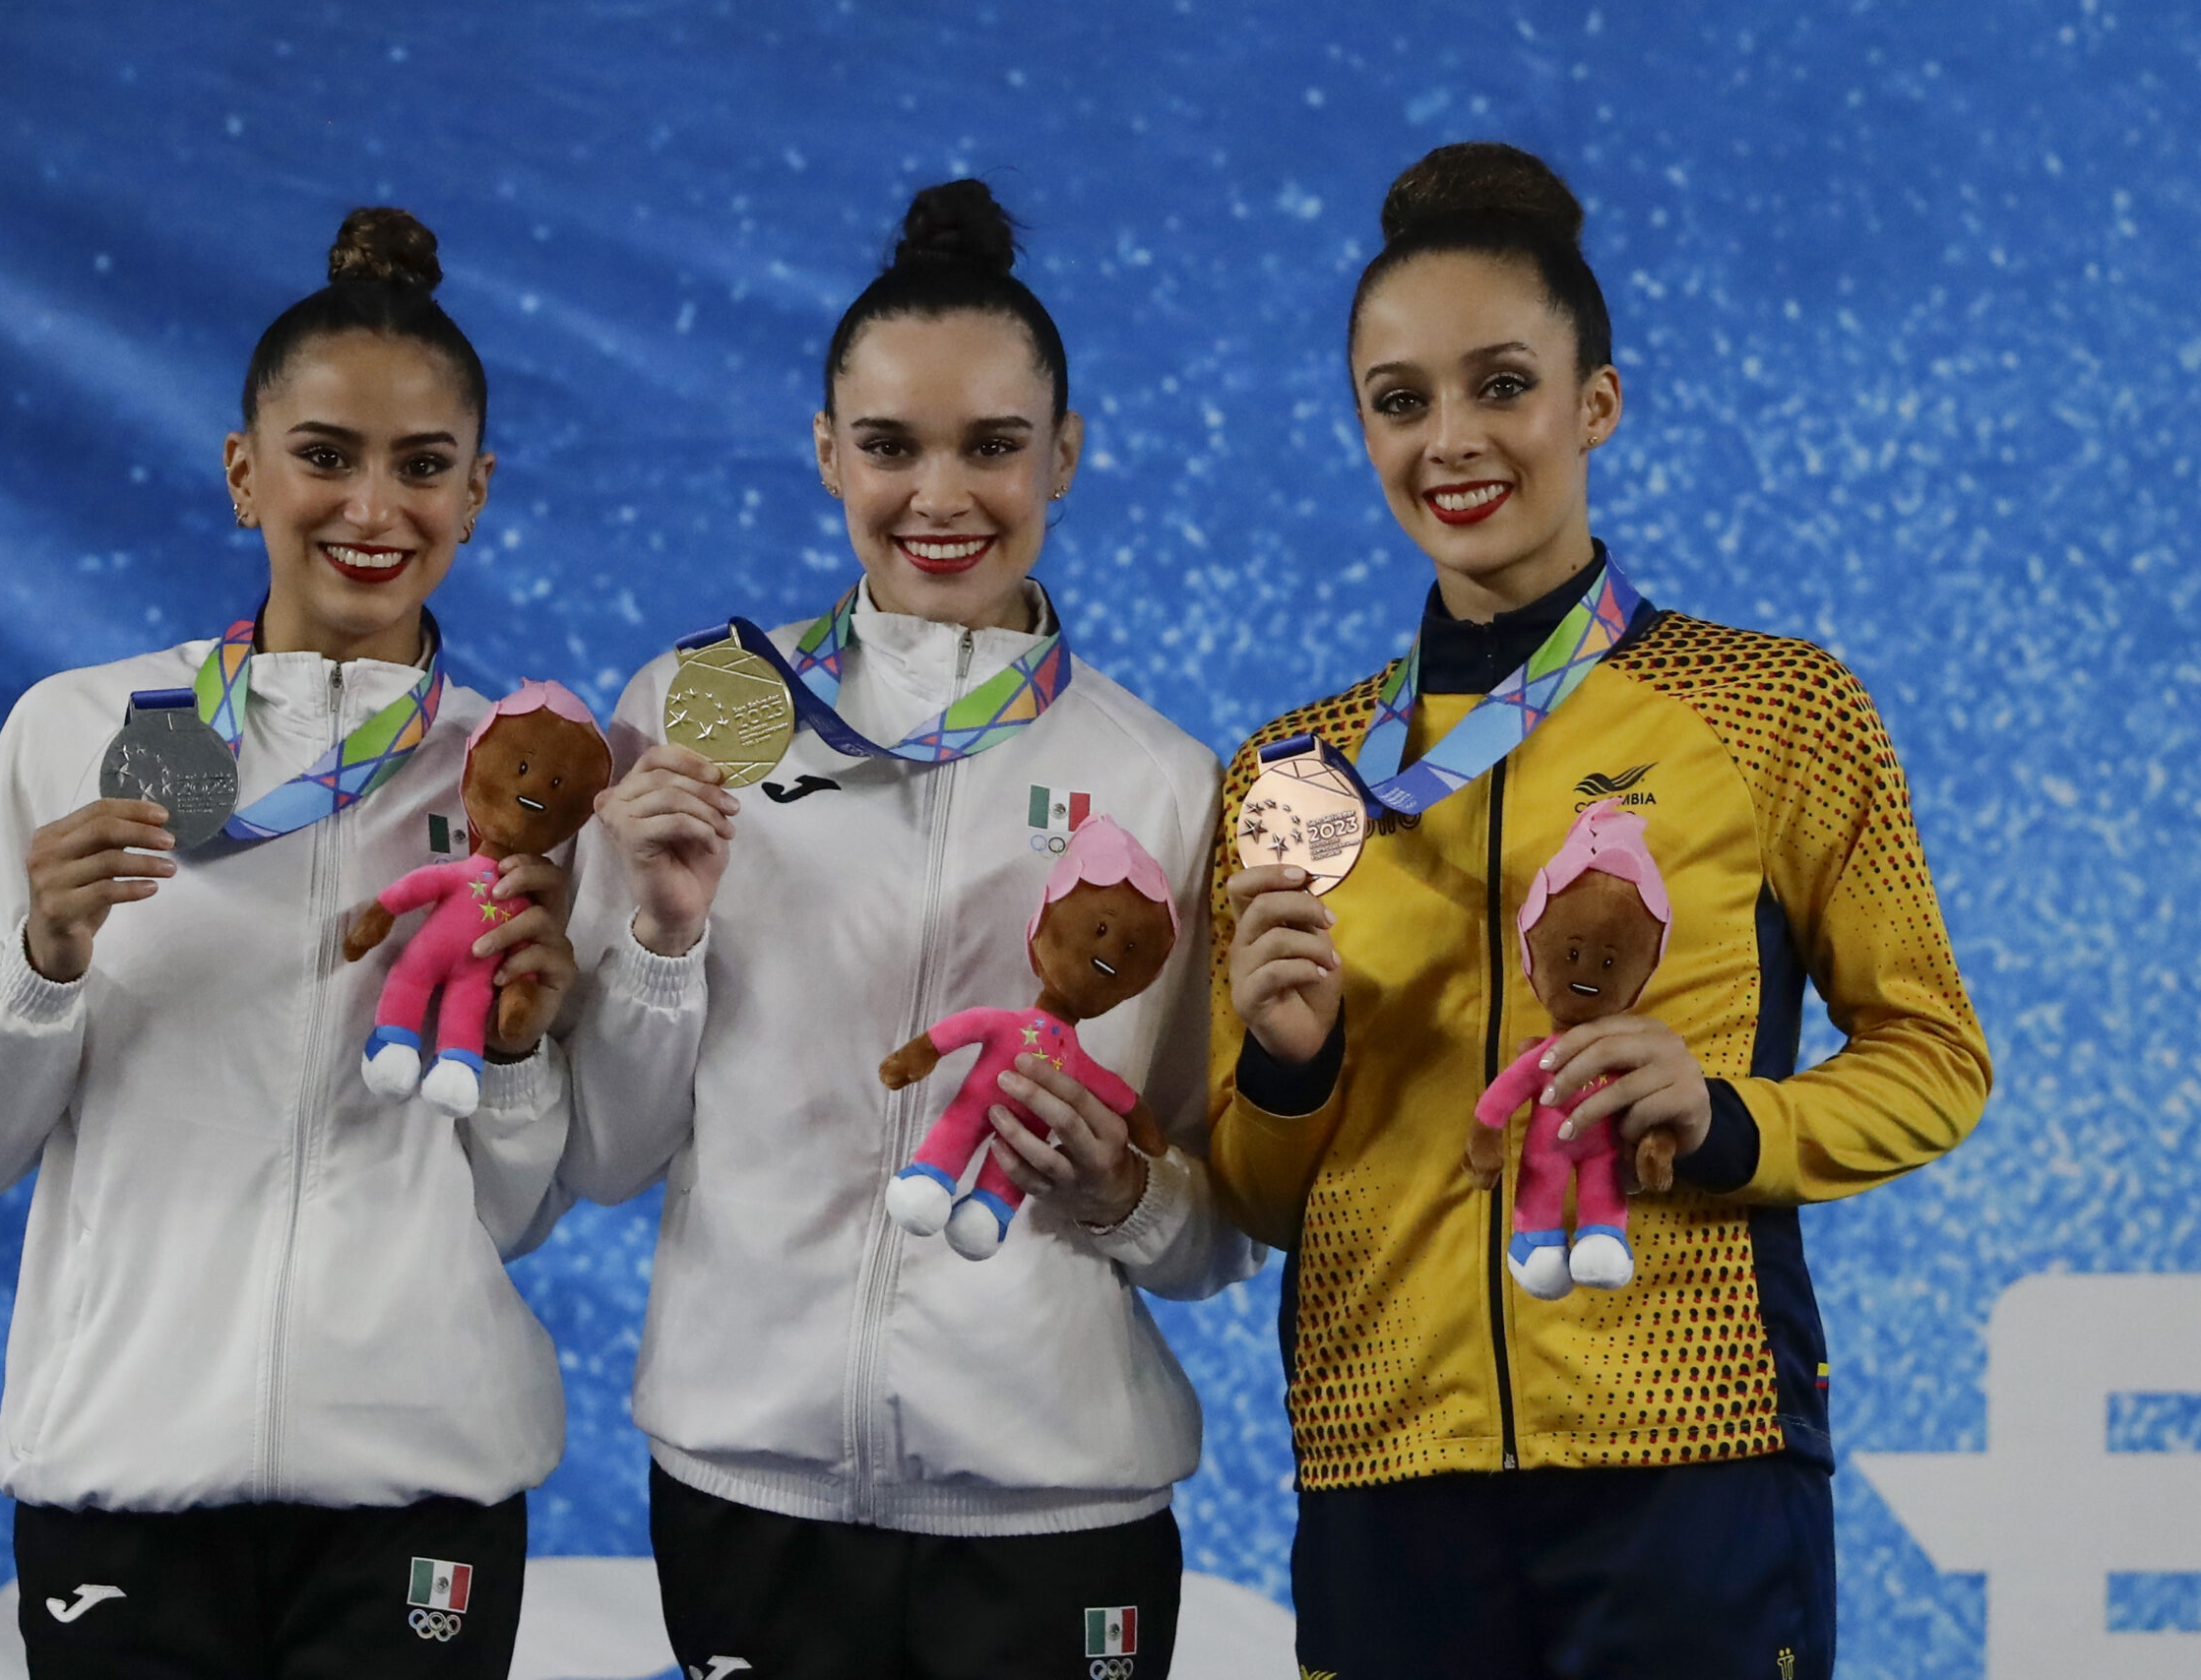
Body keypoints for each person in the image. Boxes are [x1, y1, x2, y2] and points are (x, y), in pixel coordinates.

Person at [1209, 143, 1991, 1680]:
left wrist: (1729, 1118)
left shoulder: (1776, 708)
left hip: (1689, 1443)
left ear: (1596, 404)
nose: (1453, 441)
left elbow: (1935, 1058)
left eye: (1504, 383)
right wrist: (1289, 1069)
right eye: (1401, 399)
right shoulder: (1292, 774)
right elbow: (1250, 1190)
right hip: (1384, 1462)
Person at [559, 179, 1263, 1680]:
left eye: (993, 445)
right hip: (750, 1489)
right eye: (889, 445)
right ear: (826, 453)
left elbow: (1215, 1235)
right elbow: (609, 1150)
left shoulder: (1163, 779)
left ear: (1065, 455)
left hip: (1056, 1502)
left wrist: (1127, 1185)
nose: (939, 494)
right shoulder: (702, 709)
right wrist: (665, 940)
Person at [0, 208, 579, 1679]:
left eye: (422, 466)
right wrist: (43, 956)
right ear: (243, 472)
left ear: (480, 492)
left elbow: (517, 1208)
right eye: (326, 455)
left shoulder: (522, 777)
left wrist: (518, 1055)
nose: (372, 508)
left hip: (419, 1482)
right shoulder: (79, 733)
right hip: (126, 1483)